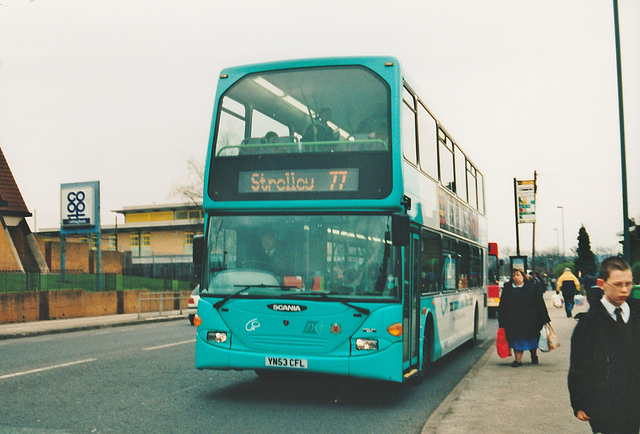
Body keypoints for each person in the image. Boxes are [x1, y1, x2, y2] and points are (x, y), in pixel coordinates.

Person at [568, 256, 640, 433]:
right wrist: (579, 402)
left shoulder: (637, 313)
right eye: (618, 284)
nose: (624, 290)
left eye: (628, 284)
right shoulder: (588, 324)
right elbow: (579, 366)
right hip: (606, 402)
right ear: (602, 283)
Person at [498, 268, 551, 367]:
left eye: (518, 275)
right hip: (514, 319)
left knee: (532, 338)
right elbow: (502, 305)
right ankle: (518, 360)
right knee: (516, 338)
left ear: (523, 276)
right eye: (513, 276)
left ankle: (534, 354)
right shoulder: (508, 289)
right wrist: (501, 320)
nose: (515, 278)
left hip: (530, 319)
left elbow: (540, 303)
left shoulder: (531, 287)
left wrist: (545, 318)